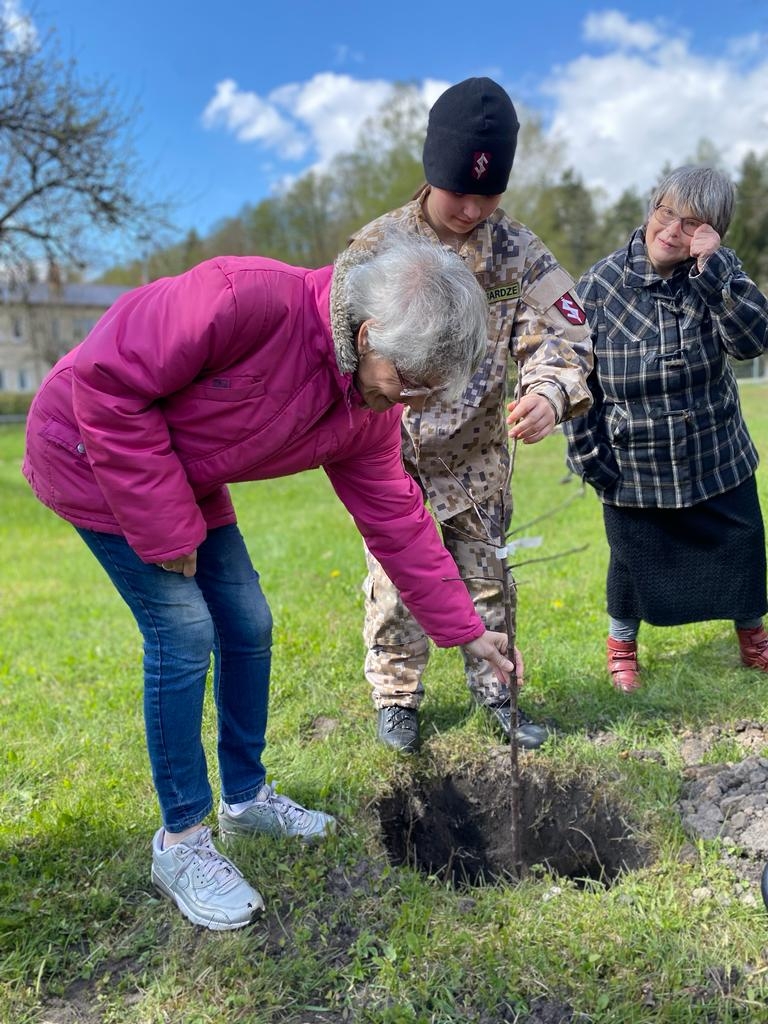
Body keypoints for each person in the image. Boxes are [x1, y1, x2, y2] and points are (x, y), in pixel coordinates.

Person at [22, 233, 516, 931]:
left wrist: (468, 633)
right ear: (367, 332)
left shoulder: (367, 407)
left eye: (427, 388)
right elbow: (107, 383)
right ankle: (183, 842)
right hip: (89, 450)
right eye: (408, 379)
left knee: (248, 621)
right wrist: (167, 534)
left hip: (181, 473)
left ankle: (247, 800)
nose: (411, 398)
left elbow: (397, 522)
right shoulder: (240, 298)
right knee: (184, 629)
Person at [350, 77, 593, 753]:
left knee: (487, 578)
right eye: (461, 189)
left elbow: (567, 335)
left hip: (481, 457)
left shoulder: (518, 250)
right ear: (433, 169)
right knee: (398, 583)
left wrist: (549, 392)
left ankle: (497, 692)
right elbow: (338, 339)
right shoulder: (376, 248)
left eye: (490, 193)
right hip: (390, 457)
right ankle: (398, 697)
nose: (474, 206)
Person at [562, 165, 768, 693]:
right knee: (630, 561)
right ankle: (622, 648)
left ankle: (753, 639)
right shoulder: (599, 285)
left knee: (742, 544)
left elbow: (752, 341)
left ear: (712, 232)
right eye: (666, 212)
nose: (672, 230)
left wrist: (716, 269)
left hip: (715, 451)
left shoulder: (718, 273)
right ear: (651, 209)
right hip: (635, 460)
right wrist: (592, 460)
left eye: (692, 223)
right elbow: (577, 381)